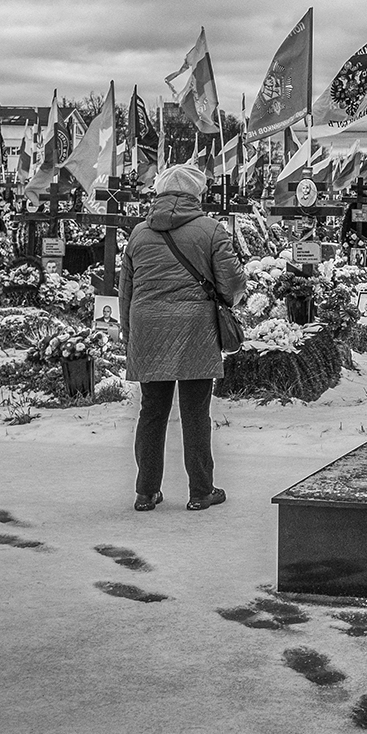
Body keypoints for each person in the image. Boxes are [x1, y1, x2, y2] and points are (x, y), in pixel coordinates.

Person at [119, 164, 246, 511]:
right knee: (195, 412)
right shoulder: (211, 230)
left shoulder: (139, 234)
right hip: (196, 330)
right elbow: (233, 284)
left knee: (151, 411)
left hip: (148, 328)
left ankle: (146, 492)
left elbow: (126, 291)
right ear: (196, 194)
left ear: (160, 192)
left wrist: (130, 335)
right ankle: (201, 491)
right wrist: (228, 300)